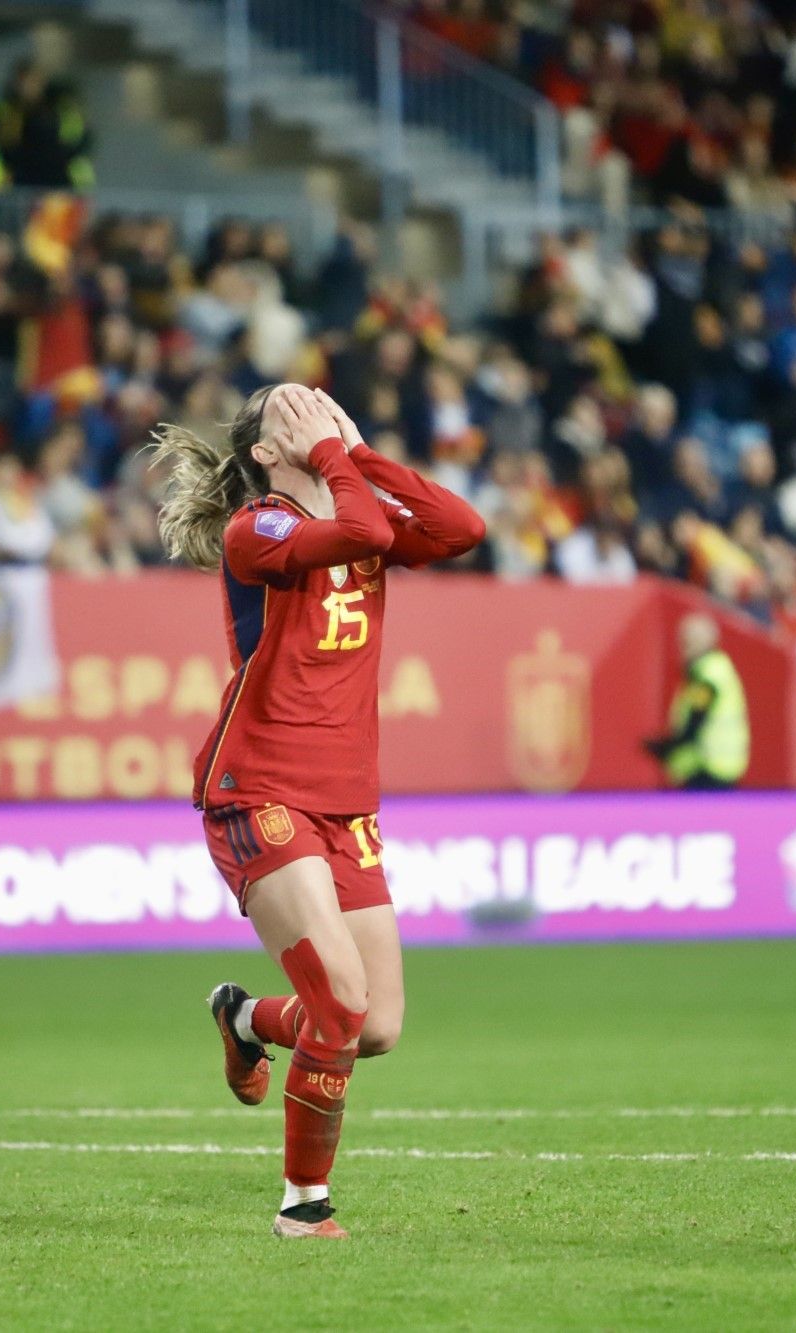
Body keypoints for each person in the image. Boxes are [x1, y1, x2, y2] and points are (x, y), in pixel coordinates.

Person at [151, 384, 484, 1239]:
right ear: (267, 452)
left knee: (373, 1024)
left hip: (347, 802)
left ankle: (245, 1017)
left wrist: (360, 454)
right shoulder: (256, 527)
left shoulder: (351, 494)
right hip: (259, 785)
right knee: (339, 994)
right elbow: (367, 531)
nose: (315, 416)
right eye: (292, 413)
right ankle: (305, 1206)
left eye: (323, 405)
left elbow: (461, 528)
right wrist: (342, 460)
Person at [643, 612, 750, 789]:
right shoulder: (716, 668)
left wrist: (667, 748)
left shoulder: (707, 676)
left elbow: (695, 722)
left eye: (687, 641)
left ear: (705, 641)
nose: (682, 647)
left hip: (709, 767)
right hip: (720, 765)